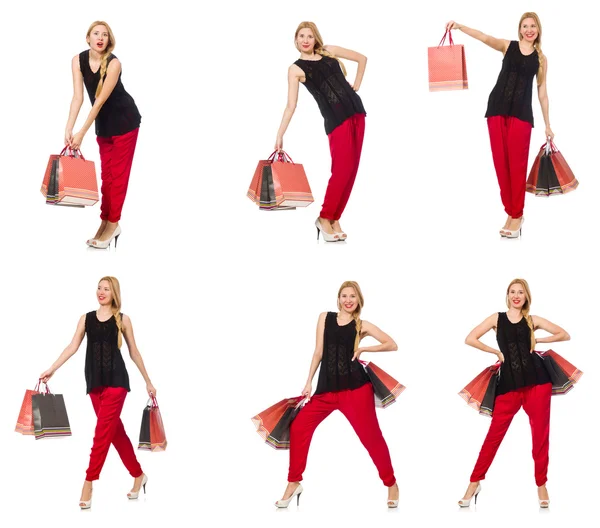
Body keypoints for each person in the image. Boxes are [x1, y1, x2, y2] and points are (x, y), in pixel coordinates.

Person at [276, 281, 400, 508]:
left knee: (371, 438)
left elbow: (392, 344)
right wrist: (308, 382)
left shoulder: (361, 325)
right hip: (325, 391)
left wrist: (363, 348)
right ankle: (294, 483)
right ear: (339, 298)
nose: (348, 300)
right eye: (344, 295)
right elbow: (318, 352)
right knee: (298, 427)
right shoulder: (325, 318)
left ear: (358, 300)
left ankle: (391, 484)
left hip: (356, 390)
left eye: (353, 296)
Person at [39, 276, 156, 509]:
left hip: (117, 382)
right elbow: (72, 346)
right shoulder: (86, 319)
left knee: (101, 434)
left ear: (114, 293)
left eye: (106, 289)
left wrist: (148, 381)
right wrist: (52, 368)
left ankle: (88, 482)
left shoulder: (123, 319)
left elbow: (134, 351)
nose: (101, 292)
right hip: (94, 384)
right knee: (114, 433)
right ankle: (138, 475)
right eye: (99, 288)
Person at [459, 278, 570, 508]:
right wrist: (495, 353)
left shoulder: (532, 320)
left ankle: (541, 485)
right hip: (508, 385)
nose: (516, 295)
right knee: (493, 437)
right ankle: (474, 482)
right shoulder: (496, 318)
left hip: (537, 382)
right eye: (512, 292)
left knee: (540, 435)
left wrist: (538, 338)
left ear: (526, 296)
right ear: (507, 295)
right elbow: (470, 338)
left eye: (521, 292)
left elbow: (563, 334)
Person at [446, 13, 554, 238]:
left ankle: (517, 214)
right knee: (501, 165)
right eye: (525, 26)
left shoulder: (541, 59)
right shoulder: (508, 46)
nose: (529, 29)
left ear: (538, 29)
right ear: (520, 29)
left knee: (516, 166)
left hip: (522, 116)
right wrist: (460, 26)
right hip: (496, 110)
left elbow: (542, 95)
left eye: (532, 26)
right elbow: (485, 37)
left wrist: (548, 125)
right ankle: (511, 213)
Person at [275, 22, 367, 242]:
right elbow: (291, 105)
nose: (306, 40)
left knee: (351, 171)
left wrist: (356, 84)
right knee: (341, 170)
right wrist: (280, 134)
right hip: (336, 120)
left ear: (316, 38)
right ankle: (324, 217)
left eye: (309, 35)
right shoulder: (296, 69)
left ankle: (335, 218)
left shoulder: (330, 52)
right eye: (301, 36)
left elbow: (362, 59)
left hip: (357, 113)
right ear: (296, 40)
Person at [65, 21, 141, 248]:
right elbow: (78, 97)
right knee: (107, 179)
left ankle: (113, 223)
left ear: (109, 40)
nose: (100, 37)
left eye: (105, 35)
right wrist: (69, 128)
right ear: (87, 38)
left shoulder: (114, 63)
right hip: (104, 127)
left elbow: (98, 103)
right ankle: (104, 222)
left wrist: (81, 133)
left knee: (117, 179)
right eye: (96, 34)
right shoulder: (77, 61)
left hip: (125, 124)